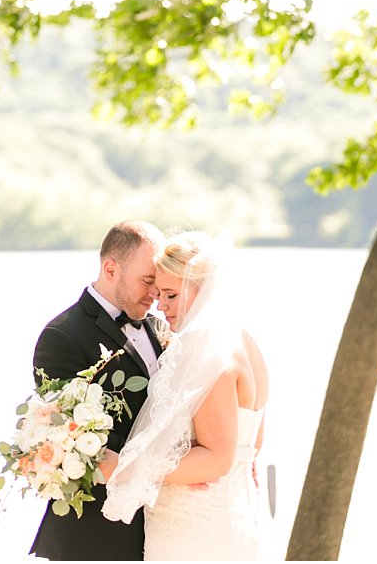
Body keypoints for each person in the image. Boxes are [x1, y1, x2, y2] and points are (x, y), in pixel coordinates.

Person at [102, 232, 270, 560]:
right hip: (233, 519)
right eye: (158, 293)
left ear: (203, 289)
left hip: (193, 532)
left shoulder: (211, 352)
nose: (160, 306)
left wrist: (123, 468)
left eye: (170, 294)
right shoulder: (248, 344)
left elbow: (217, 459)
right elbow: (250, 447)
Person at [31, 221, 166, 561]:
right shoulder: (62, 336)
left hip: (163, 527)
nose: (156, 294)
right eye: (147, 281)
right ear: (110, 268)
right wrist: (166, 469)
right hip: (95, 536)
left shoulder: (161, 327)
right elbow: (68, 438)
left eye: (160, 284)